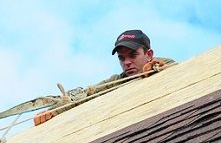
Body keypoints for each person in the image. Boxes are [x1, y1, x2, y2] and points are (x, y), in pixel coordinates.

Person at [34, 29, 175, 125]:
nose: (127, 62)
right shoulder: (116, 81)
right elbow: (86, 94)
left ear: (149, 55)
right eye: (122, 58)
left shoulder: (164, 66)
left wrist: (157, 68)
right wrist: (54, 112)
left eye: (133, 55)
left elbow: (174, 68)